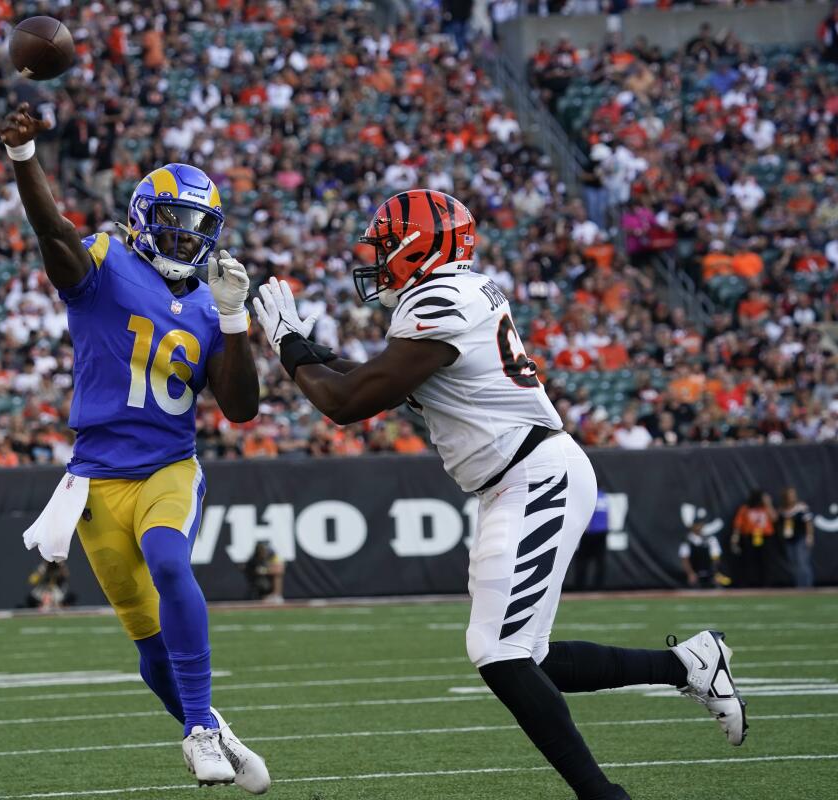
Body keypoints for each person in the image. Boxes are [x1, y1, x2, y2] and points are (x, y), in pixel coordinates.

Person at [254, 189, 746, 800]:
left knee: (498, 651)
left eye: (385, 245)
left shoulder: (441, 300)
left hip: (535, 475)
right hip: (515, 478)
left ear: (419, 246)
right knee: (526, 658)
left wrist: (286, 345)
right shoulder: (452, 294)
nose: (376, 258)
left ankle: (603, 795)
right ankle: (687, 665)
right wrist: (302, 344)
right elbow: (368, 378)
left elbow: (346, 402)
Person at [0, 105, 268, 791]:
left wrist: (235, 323)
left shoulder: (212, 305)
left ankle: (200, 729)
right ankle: (209, 723)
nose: (187, 237)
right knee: (147, 641)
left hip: (168, 465)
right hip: (95, 480)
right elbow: (53, 236)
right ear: (146, 217)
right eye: (175, 220)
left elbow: (239, 408)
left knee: (171, 563)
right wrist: (26, 160)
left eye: (200, 227)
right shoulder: (106, 261)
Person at [731, 490, 775, 588]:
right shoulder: (745, 509)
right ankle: (749, 583)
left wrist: (768, 504)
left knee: (765, 561)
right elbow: (738, 525)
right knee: (749, 561)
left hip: (765, 537)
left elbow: (774, 519)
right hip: (750, 537)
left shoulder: (765, 508)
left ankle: (766, 584)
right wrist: (735, 537)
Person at [778, 488, 815, 588]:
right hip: (789, 540)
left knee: (802, 563)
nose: (792, 497)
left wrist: (809, 536)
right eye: (789, 495)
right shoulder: (782, 510)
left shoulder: (801, 507)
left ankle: (807, 586)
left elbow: (808, 523)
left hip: (801, 539)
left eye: (793, 495)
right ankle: (799, 586)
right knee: (793, 564)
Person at [573, 489, 608, 591]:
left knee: (582, 561)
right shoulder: (604, 497)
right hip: (602, 532)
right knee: (600, 561)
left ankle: (580, 587)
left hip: (590, 532)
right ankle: (598, 587)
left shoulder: (591, 495)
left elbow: (586, 513)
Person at [680, 519, 722, 589]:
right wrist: (690, 574)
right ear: (692, 526)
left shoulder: (711, 539)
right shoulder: (687, 541)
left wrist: (715, 573)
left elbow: (716, 557)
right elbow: (685, 559)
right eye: (696, 525)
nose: (698, 527)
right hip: (695, 574)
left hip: (710, 573)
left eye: (700, 525)